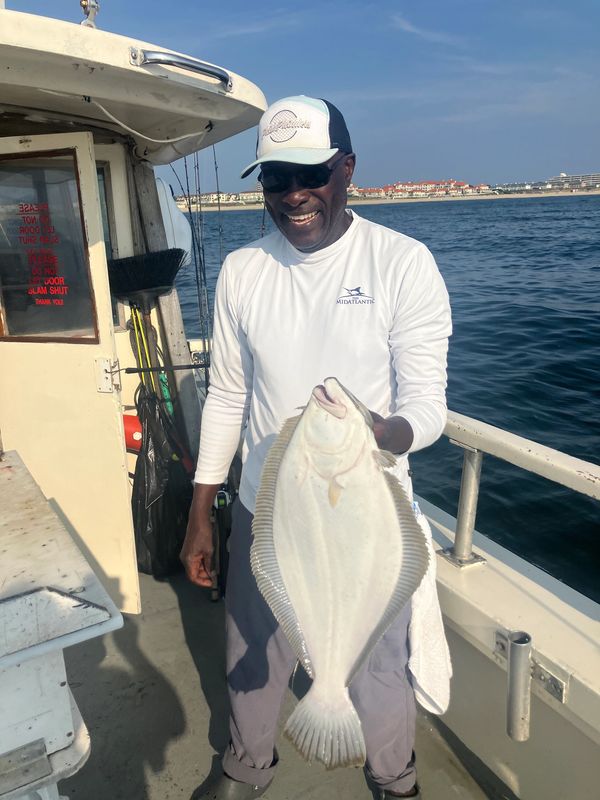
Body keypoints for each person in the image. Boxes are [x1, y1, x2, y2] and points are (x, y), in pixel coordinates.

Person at [181, 95, 452, 800]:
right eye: (277, 178)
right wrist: (201, 511)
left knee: (379, 661)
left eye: (312, 174)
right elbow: (228, 397)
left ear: (347, 169)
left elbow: (428, 406)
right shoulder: (243, 270)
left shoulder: (402, 262)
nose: (294, 194)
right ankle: (246, 767)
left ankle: (394, 779)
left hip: (369, 512)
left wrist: (383, 432)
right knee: (252, 654)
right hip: (264, 510)